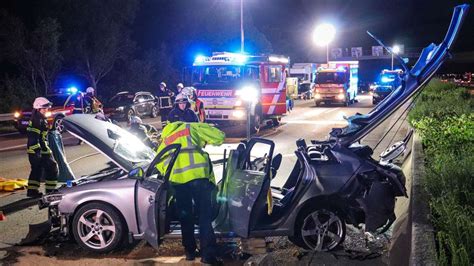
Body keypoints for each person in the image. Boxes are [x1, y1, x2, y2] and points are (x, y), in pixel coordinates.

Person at [156, 121, 225, 264]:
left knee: (185, 217)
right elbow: (219, 137)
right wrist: (202, 127)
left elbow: (159, 161)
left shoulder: (167, 136)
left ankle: (190, 252)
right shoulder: (191, 127)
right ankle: (208, 255)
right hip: (198, 177)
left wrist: (170, 173)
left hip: (178, 182)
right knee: (204, 216)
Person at [26, 97, 59, 198]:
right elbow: (33, 138)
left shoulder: (39, 118)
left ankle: (32, 191)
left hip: (39, 150)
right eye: (44, 108)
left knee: (36, 170)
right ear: (38, 108)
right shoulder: (37, 120)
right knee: (52, 168)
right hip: (39, 150)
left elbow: (42, 135)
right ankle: (50, 191)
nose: (46, 110)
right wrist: (38, 152)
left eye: (47, 108)